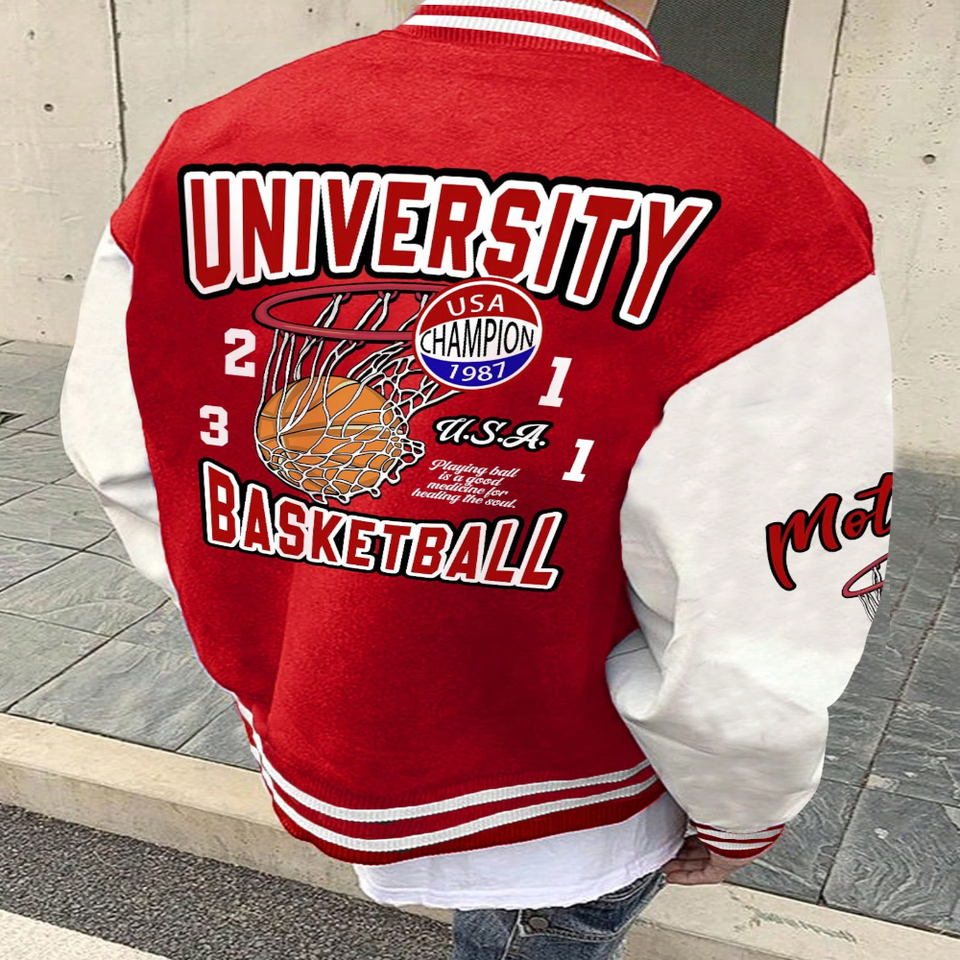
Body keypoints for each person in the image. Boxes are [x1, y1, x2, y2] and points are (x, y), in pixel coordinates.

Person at [60, 2, 893, 958]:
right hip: (573, 789)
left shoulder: (209, 145)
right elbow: (759, 590)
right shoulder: (770, 201)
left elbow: (123, 457)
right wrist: (742, 804)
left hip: (329, 726)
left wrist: (280, 615)